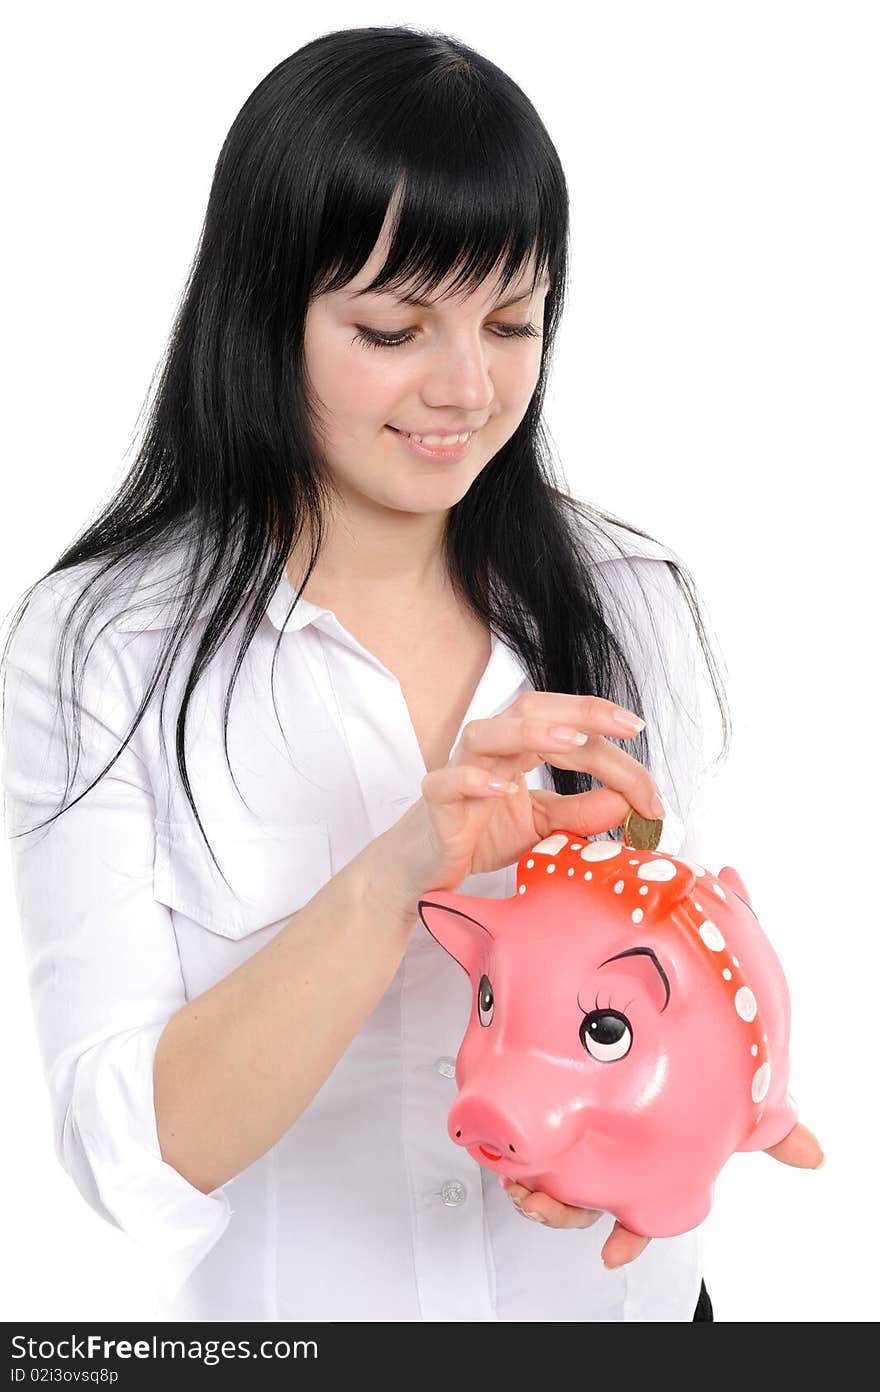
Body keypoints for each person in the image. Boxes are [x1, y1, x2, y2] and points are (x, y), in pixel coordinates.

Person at [0, 24, 824, 1323]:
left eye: (511, 322)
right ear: (264, 314)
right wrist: (396, 877)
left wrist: (692, 1121)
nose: (463, 388)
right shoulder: (103, 639)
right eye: (392, 328)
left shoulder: (632, 599)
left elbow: (676, 975)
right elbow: (129, 1159)